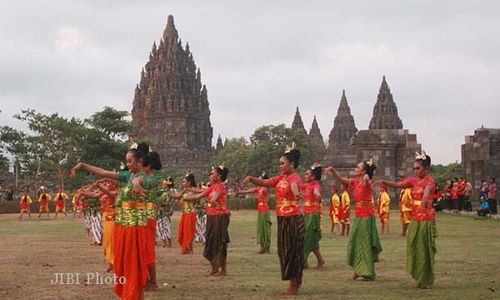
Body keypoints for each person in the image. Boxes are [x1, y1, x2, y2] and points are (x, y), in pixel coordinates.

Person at [71, 142, 151, 299]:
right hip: (122, 226)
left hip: (134, 228)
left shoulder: (144, 178)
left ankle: (135, 295)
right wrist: (82, 165)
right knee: (123, 263)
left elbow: (139, 181)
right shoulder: (126, 176)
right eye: (126, 161)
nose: (127, 165)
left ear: (139, 162)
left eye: (129, 161)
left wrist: (136, 183)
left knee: (133, 263)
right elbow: (103, 172)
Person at [243, 144, 304, 295]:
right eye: (280, 163)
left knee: (292, 251)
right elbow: (264, 182)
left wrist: (296, 194)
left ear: (292, 164)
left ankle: (294, 285)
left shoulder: (294, 178)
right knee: (283, 250)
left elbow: (295, 186)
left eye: (282, 163)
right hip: (282, 218)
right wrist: (251, 178)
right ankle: (294, 281)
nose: (280, 166)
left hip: (293, 219)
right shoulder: (280, 178)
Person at [379, 150, 437, 288]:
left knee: (424, 248)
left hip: (426, 219)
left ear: (426, 168)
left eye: (418, 168)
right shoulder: (413, 181)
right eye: (414, 168)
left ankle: (424, 278)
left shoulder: (429, 181)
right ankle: (419, 275)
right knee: (414, 246)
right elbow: (400, 185)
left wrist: (425, 195)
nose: (416, 171)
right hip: (415, 218)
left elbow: (429, 188)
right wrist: (385, 182)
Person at [325, 158, 382, 281]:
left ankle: (367, 272)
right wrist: (333, 170)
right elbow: (342, 179)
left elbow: (367, 180)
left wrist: (367, 176)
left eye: (358, 167)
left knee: (365, 243)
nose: (355, 169)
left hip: (367, 217)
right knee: (355, 242)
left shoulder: (367, 182)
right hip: (359, 216)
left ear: (363, 171)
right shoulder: (355, 182)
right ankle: (358, 269)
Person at [183, 164, 231, 277]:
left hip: (219, 218)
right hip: (212, 217)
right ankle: (214, 268)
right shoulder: (212, 187)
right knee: (210, 243)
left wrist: (214, 201)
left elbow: (215, 197)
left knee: (220, 243)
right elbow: (198, 196)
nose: (210, 175)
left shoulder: (219, 187)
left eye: (212, 173)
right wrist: (184, 198)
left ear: (219, 176)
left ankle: (223, 270)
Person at [237, 171, 272, 254]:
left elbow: (262, 190)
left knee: (265, 228)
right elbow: (247, 191)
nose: (257, 181)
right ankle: (262, 247)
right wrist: (238, 191)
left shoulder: (265, 189)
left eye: (259, 179)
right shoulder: (258, 189)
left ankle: (267, 247)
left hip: (265, 211)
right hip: (260, 210)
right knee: (260, 229)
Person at [301, 164, 325, 269]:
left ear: (313, 177)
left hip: (313, 215)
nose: (305, 175)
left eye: (307, 174)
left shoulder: (316, 185)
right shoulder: (306, 185)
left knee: (306, 238)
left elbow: (317, 192)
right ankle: (320, 260)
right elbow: (296, 185)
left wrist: (317, 194)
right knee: (311, 239)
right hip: (306, 214)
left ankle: (303, 261)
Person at [175, 173, 199, 254]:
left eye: (184, 182)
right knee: (184, 231)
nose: (183, 183)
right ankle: (186, 248)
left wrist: (187, 191)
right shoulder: (184, 190)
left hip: (191, 213)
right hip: (184, 213)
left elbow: (201, 191)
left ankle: (190, 248)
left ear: (189, 183)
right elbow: (178, 197)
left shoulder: (194, 190)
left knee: (189, 231)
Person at [156, 178, 174, 248]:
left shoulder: (170, 192)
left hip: (166, 210)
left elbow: (168, 202)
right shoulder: (161, 191)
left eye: (164, 184)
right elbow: (154, 194)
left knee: (166, 227)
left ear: (167, 185)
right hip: (160, 210)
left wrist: (160, 202)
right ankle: (164, 242)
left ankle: (169, 243)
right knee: (160, 227)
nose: (162, 185)